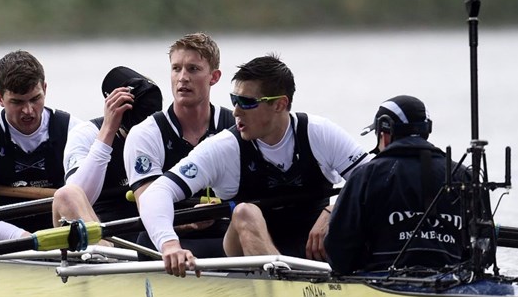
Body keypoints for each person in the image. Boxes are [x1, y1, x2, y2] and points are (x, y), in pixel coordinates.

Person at [139, 54, 370, 277]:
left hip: (313, 245)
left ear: (280, 104)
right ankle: (283, 287)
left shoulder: (318, 133)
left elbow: (375, 178)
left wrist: (333, 210)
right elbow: (157, 193)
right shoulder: (224, 148)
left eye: (247, 103)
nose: (236, 111)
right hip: (247, 247)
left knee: (354, 207)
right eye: (234, 101)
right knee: (244, 212)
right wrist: (169, 244)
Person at [325, 95, 466, 275]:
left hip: (381, 285)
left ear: (384, 132)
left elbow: (339, 252)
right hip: (456, 282)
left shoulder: (366, 176)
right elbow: (484, 247)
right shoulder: (463, 175)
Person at [123, 32, 235, 256]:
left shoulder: (234, 126)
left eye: (193, 69)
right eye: (176, 69)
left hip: (227, 235)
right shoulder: (146, 134)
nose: (183, 77)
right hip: (168, 240)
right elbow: (148, 208)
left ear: (214, 77)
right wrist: (191, 222)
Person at [0, 50, 79, 241]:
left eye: (35, 98)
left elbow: (86, 204)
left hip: (65, 229)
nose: (28, 111)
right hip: (9, 238)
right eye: (17, 102)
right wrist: (33, 241)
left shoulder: (73, 130)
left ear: (45, 89)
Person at [52, 66, 163, 225]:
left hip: (153, 230)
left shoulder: (164, 129)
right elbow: (75, 198)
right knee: (66, 194)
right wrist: (108, 130)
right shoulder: (85, 134)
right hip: (104, 236)